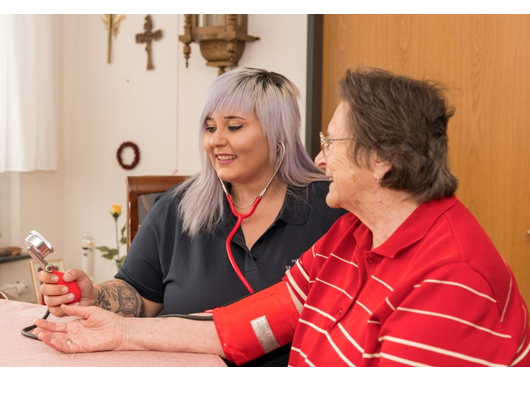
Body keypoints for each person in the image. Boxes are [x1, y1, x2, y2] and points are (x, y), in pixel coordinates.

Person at [35, 67, 530, 367]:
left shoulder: (451, 276)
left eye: (330, 144)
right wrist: (121, 330)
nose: (317, 160)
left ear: (382, 160)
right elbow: (247, 326)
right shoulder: (352, 236)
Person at [37, 67, 345, 367]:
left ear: (279, 135)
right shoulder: (176, 207)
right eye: (210, 128)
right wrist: (95, 296)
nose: (215, 141)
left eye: (234, 127)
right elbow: (138, 294)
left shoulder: (334, 207)